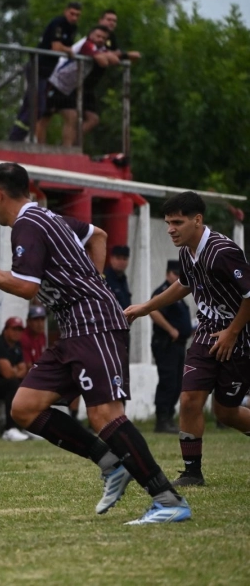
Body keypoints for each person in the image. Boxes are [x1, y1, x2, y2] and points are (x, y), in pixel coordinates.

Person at [0, 162, 190, 524]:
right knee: (25, 407)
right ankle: (111, 463)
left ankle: (167, 499)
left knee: (104, 415)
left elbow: (26, 288)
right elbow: (99, 235)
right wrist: (93, 278)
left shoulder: (27, 225)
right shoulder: (50, 218)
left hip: (93, 323)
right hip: (74, 326)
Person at [125, 192, 250, 488]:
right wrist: (146, 307)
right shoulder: (186, 252)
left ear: (198, 220)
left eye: (177, 222)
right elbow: (184, 285)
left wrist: (232, 332)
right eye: (168, 222)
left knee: (226, 412)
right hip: (207, 335)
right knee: (189, 399)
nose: (170, 229)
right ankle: (192, 472)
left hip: (239, 338)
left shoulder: (222, 251)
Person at [8, 1, 81, 141]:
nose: (74, 18)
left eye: (77, 15)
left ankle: (16, 137)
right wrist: (68, 51)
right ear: (66, 11)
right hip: (37, 67)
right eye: (72, 14)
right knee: (37, 106)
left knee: (31, 105)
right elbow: (56, 47)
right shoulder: (58, 23)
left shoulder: (73, 28)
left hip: (47, 72)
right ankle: (16, 138)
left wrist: (67, 50)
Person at [40, 25, 119, 146]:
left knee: (72, 116)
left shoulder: (100, 48)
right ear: (91, 35)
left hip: (68, 88)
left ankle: (67, 150)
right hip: (56, 82)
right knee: (45, 116)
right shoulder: (87, 44)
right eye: (98, 36)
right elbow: (103, 62)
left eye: (104, 38)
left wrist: (107, 55)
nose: (100, 39)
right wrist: (106, 56)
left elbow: (115, 60)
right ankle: (40, 148)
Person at [148, 260, 192, 434]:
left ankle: (169, 417)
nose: (177, 277)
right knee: (168, 381)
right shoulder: (163, 292)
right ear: (167, 274)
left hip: (178, 345)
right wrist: (171, 329)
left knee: (176, 383)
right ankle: (162, 419)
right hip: (166, 344)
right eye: (174, 274)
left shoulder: (178, 296)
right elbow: (153, 310)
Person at [105, 245, 132, 309]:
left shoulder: (123, 279)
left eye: (124, 259)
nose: (121, 262)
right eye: (118, 258)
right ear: (111, 259)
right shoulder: (105, 279)